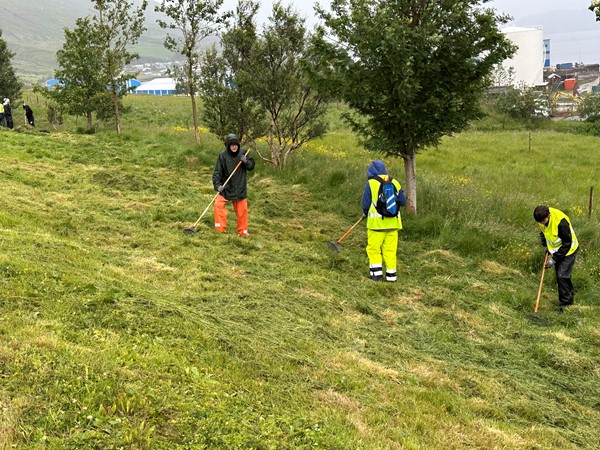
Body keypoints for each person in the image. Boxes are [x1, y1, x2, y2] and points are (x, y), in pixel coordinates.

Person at [361, 160, 406, 282]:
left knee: (374, 250)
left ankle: (376, 276)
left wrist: (365, 213)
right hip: (393, 225)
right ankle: (391, 278)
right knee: (390, 251)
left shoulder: (370, 183)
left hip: (376, 226)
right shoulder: (395, 182)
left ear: (370, 171)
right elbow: (403, 201)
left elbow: (365, 204)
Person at [533, 205, 579, 311]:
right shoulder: (541, 219)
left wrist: (554, 259)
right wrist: (547, 245)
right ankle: (566, 299)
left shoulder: (561, 223)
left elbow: (567, 243)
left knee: (562, 276)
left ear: (548, 215)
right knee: (561, 276)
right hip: (557, 250)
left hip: (569, 250)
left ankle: (566, 305)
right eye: (539, 222)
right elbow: (545, 233)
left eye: (543, 220)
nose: (541, 223)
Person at [212, 134, 255, 236]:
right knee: (218, 205)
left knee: (242, 211)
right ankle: (220, 229)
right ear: (228, 146)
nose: (234, 147)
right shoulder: (222, 155)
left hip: (239, 188)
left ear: (238, 145)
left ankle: (243, 232)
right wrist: (218, 186)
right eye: (232, 145)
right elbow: (217, 172)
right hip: (226, 187)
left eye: (236, 145)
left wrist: (246, 161)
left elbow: (251, 166)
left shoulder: (244, 153)